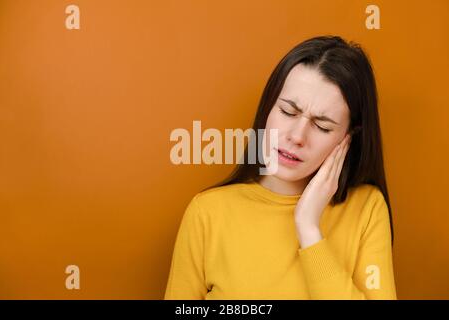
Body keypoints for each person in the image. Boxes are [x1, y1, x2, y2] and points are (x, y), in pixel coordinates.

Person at [164, 35, 397, 300]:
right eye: (287, 111)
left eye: (322, 126)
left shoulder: (366, 209)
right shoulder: (207, 212)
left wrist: (308, 228)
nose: (297, 136)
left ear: (348, 138)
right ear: (268, 107)